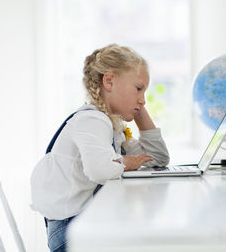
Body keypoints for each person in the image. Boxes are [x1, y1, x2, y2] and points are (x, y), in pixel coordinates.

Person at [30, 43, 170, 252]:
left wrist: (137, 108)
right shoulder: (92, 120)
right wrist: (127, 162)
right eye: (138, 89)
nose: (143, 99)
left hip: (80, 223)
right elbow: (99, 169)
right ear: (109, 81)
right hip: (69, 231)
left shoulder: (108, 124)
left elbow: (157, 158)